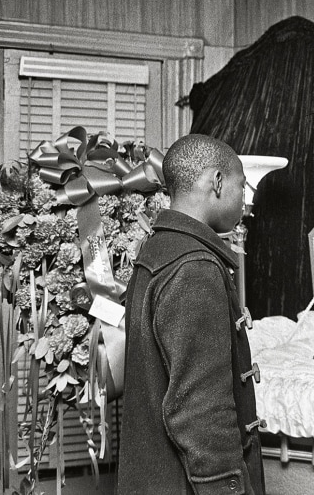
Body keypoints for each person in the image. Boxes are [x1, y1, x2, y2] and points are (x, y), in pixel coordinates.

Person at [118, 134, 265, 495]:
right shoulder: (194, 266)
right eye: (241, 185)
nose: (245, 201)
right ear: (217, 182)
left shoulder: (157, 249)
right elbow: (201, 410)